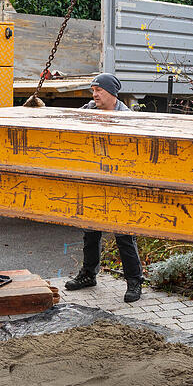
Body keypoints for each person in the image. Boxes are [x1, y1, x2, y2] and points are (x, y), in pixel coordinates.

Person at [64, 72, 145, 303]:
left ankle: (134, 281)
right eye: (93, 91)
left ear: (112, 93)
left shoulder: (127, 118)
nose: (94, 95)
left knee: (123, 235)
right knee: (90, 232)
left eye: (98, 90)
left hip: (119, 181)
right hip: (94, 179)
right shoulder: (88, 111)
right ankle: (88, 275)